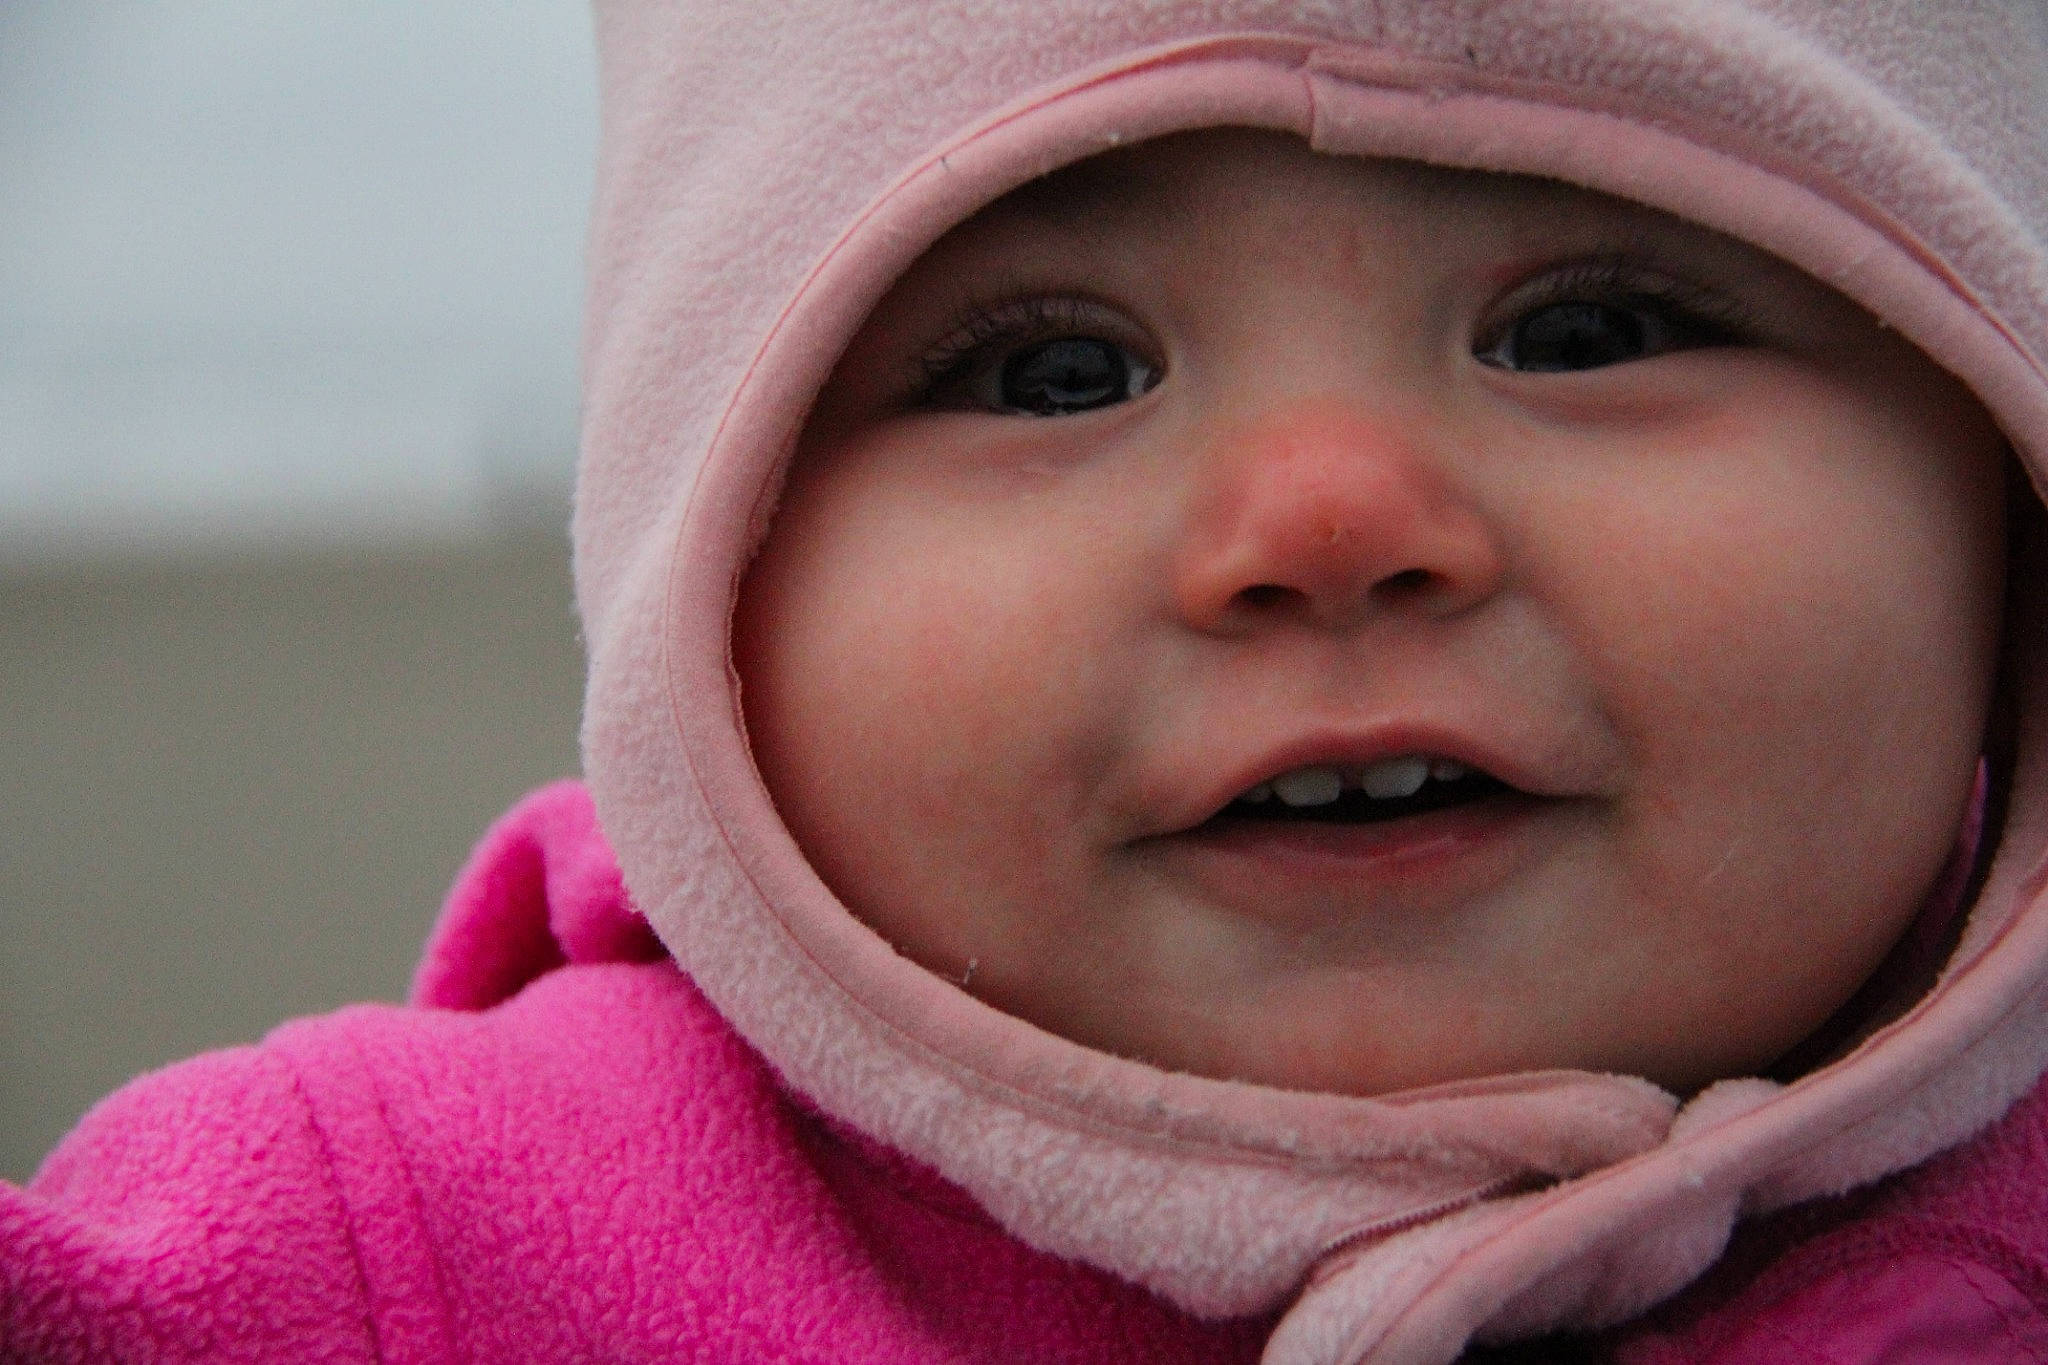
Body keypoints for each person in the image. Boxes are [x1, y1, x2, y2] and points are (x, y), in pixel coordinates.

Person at [6, 4, 2048, 1362]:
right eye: (1054, 370)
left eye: (1589, 325)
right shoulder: (382, 1259)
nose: (1328, 516)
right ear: (709, 561)